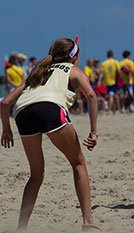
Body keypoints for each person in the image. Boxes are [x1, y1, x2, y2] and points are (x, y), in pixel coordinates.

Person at [1, 37, 101, 232]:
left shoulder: (37, 72)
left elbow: (5, 103)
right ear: (74, 57)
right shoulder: (74, 71)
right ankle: (88, 223)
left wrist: (6, 130)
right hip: (50, 108)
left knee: (36, 175)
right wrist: (94, 131)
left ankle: (21, 228)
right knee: (78, 163)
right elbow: (91, 96)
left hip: (23, 114)